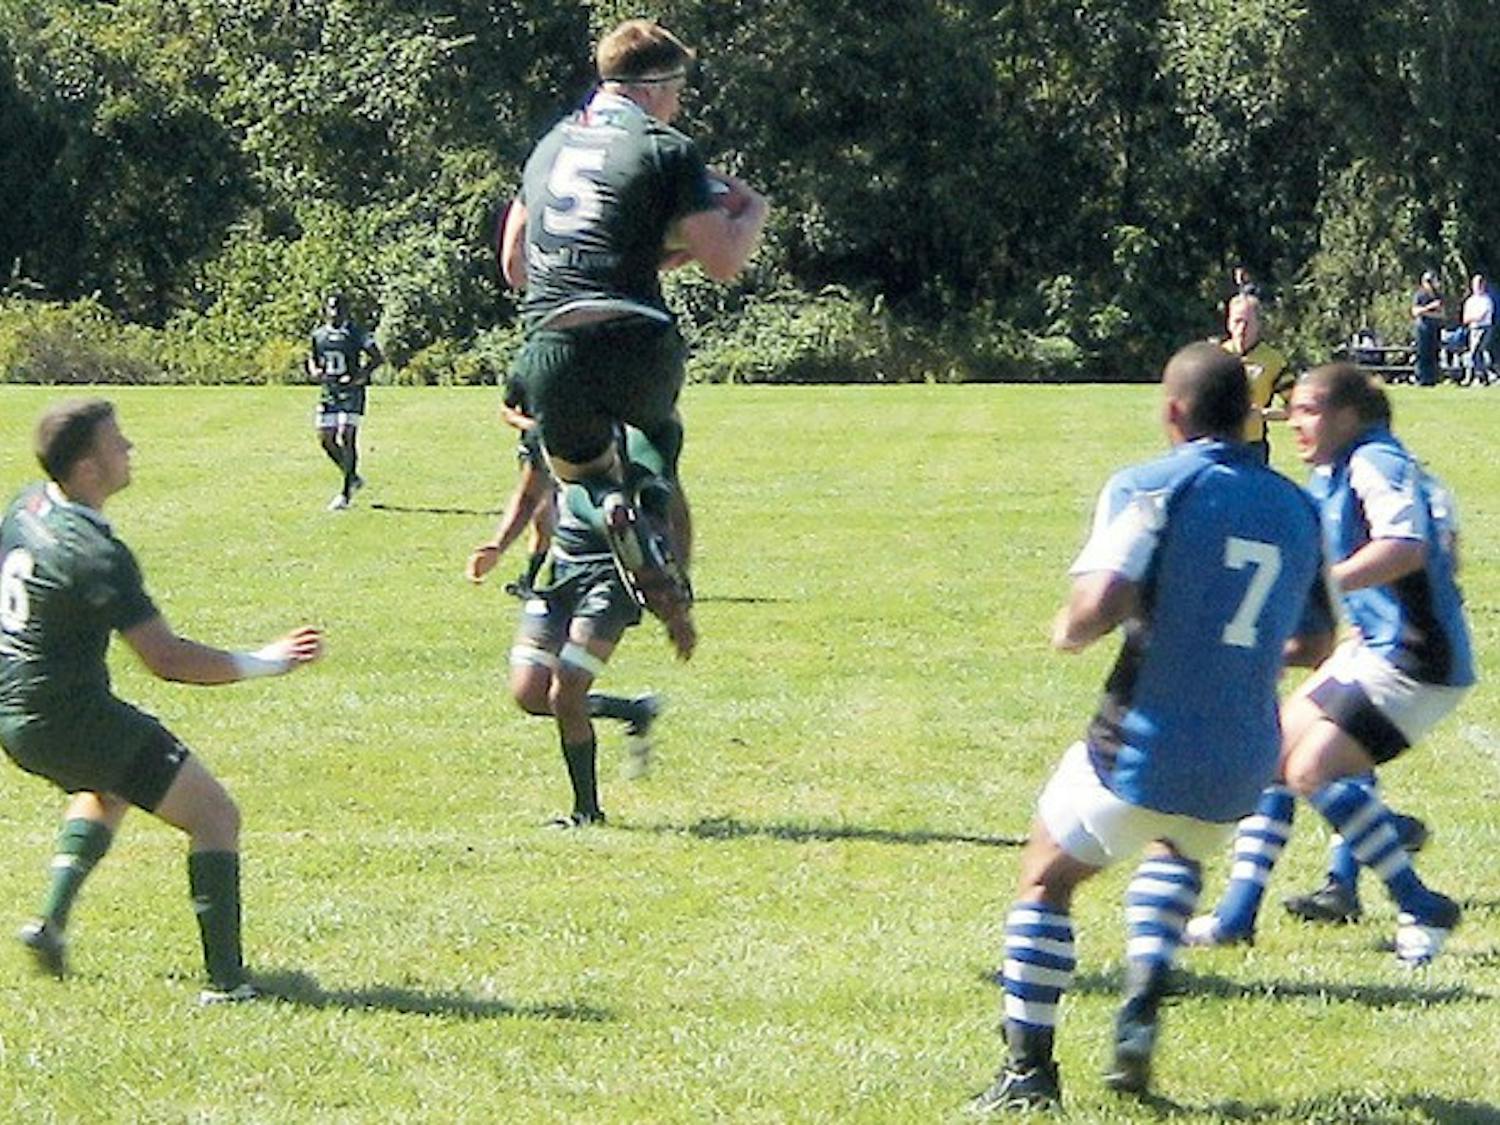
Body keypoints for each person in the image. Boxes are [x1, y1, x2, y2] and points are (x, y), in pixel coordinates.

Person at [968, 343, 1332, 1113]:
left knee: (1046, 874)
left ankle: (1029, 1072)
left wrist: (1068, 627)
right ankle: (1139, 1004)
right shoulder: (1298, 506)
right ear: (1247, 414)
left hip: (1143, 740)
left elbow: (1097, 606)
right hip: (1243, 760)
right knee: (1178, 841)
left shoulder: (1151, 485)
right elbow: (1319, 641)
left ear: (1173, 412)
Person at [0, 400, 323, 1003]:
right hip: (70, 718)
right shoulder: (95, 554)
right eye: (118, 443)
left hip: (17, 716)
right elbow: (166, 660)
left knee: (106, 788)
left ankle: (49, 923)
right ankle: (228, 986)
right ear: (90, 469)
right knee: (215, 817)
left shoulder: (27, 505)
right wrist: (267, 660)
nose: (130, 450)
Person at [498, 18, 769, 659]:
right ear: (654, 86)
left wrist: (642, 249)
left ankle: (609, 508)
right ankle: (658, 541)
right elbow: (724, 261)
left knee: (583, 478)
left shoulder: (548, 147)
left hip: (551, 346)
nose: (678, 103)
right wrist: (754, 209)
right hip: (634, 339)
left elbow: (516, 265)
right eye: (677, 89)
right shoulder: (665, 147)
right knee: (658, 443)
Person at [1186, 365, 1472, 964]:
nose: (1293, 421)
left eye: (1309, 409)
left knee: (1313, 771)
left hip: (1417, 657)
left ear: (1349, 416)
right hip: (1373, 647)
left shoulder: (1375, 460)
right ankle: (1238, 916)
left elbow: (1406, 547)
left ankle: (1421, 903)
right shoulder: (1331, 473)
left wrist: (1318, 583)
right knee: (1272, 757)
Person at [466, 420, 664, 827]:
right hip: (560, 575)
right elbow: (529, 493)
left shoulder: (633, 434)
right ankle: (631, 710)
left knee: (568, 685)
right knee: (530, 694)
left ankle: (586, 811)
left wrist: (664, 578)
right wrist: (497, 546)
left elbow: (664, 506)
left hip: (613, 576)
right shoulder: (551, 429)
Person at [308, 293, 383, 511]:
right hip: (329, 393)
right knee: (326, 439)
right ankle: (352, 476)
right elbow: (313, 357)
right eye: (331, 308)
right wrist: (314, 370)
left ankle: (345, 493)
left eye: (339, 308)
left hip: (351, 393)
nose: (335, 313)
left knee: (346, 435)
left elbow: (377, 357)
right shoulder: (319, 334)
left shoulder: (356, 333)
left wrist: (361, 375)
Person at [1222, 292, 1293, 463]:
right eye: (1237, 321)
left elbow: (1296, 408)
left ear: (1258, 325)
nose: (1242, 329)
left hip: (1252, 449)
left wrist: (1263, 414)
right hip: (1218, 445)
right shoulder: (1216, 356)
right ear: (1228, 323)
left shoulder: (1273, 361)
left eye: (1248, 323)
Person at [1411, 271, 1443, 387]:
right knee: (1422, 353)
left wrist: (1427, 313)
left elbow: (1441, 314)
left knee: (1433, 353)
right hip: (1422, 327)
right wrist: (1430, 307)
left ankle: (1432, 378)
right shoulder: (1420, 295)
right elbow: (1415, 312)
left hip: (1434, 327)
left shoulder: (1437, 295)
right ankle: (1421, 378)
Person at [1461, 273, 1493, 385]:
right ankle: (1482, 377)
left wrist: (1473, 318)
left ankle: (1480, 376)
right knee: (1474, 353)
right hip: (1473, 329)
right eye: (1476, 284)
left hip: (1484, 329)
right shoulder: (1470, 301)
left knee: (1476, 352)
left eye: (1480, 283)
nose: (1478, 286)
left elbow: (1482, 316)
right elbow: (1465, 318)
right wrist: (1473, 318)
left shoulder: (1486, 300)